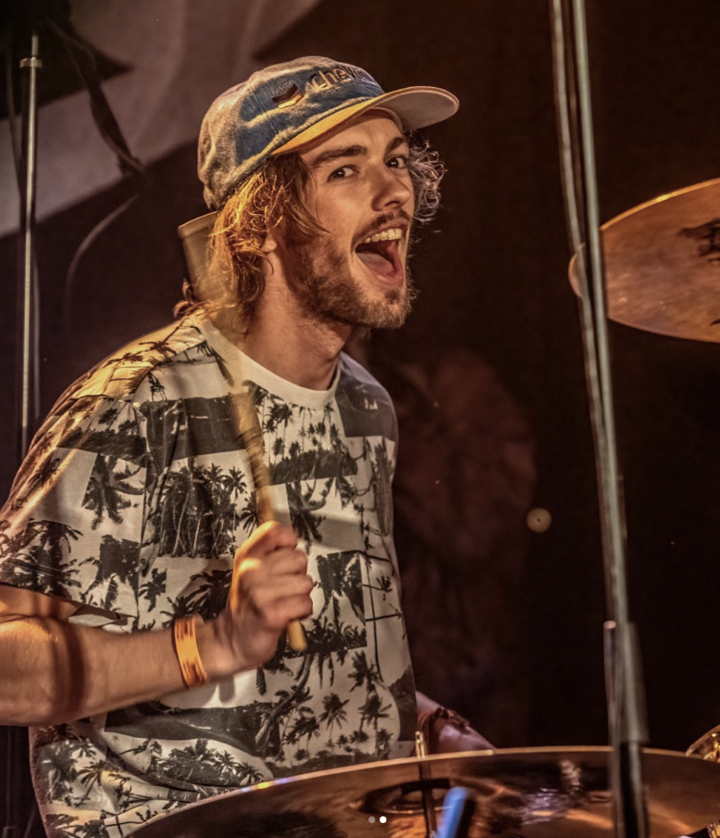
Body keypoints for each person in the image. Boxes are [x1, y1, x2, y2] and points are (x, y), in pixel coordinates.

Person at [0, 56, 490, 838]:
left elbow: (321, 664)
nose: (394, 189)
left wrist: (427, 726)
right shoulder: (140, 401)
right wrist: (214, 642)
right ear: (261, 222)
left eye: (396, 160)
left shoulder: (365, 408)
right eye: (345, 168)